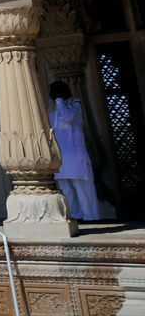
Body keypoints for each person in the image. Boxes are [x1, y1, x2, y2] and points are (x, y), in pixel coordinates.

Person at [49, 80, 99, 221]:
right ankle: (74, 215)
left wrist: (59, 100)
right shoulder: (51, 108)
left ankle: (90, 216)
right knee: (66, 188)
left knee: (82, 186)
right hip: (61, 153)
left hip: (75, 151)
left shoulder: (75, 104)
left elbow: (69, 118)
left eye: (57, 91)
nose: (54, 94)